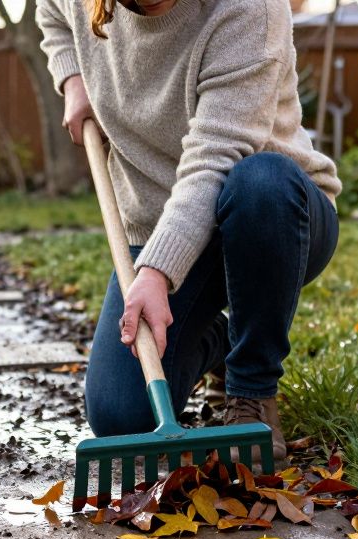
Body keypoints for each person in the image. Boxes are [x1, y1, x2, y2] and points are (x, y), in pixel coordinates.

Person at [38, 0, 341, 468]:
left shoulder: (249, 8)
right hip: (160, 223)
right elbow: (50, 10)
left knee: (260, 179)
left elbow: (217, 155)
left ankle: (252, 390)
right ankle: (218, 339)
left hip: (273, 218)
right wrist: (73, 78)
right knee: (121, 415)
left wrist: (157, 272)